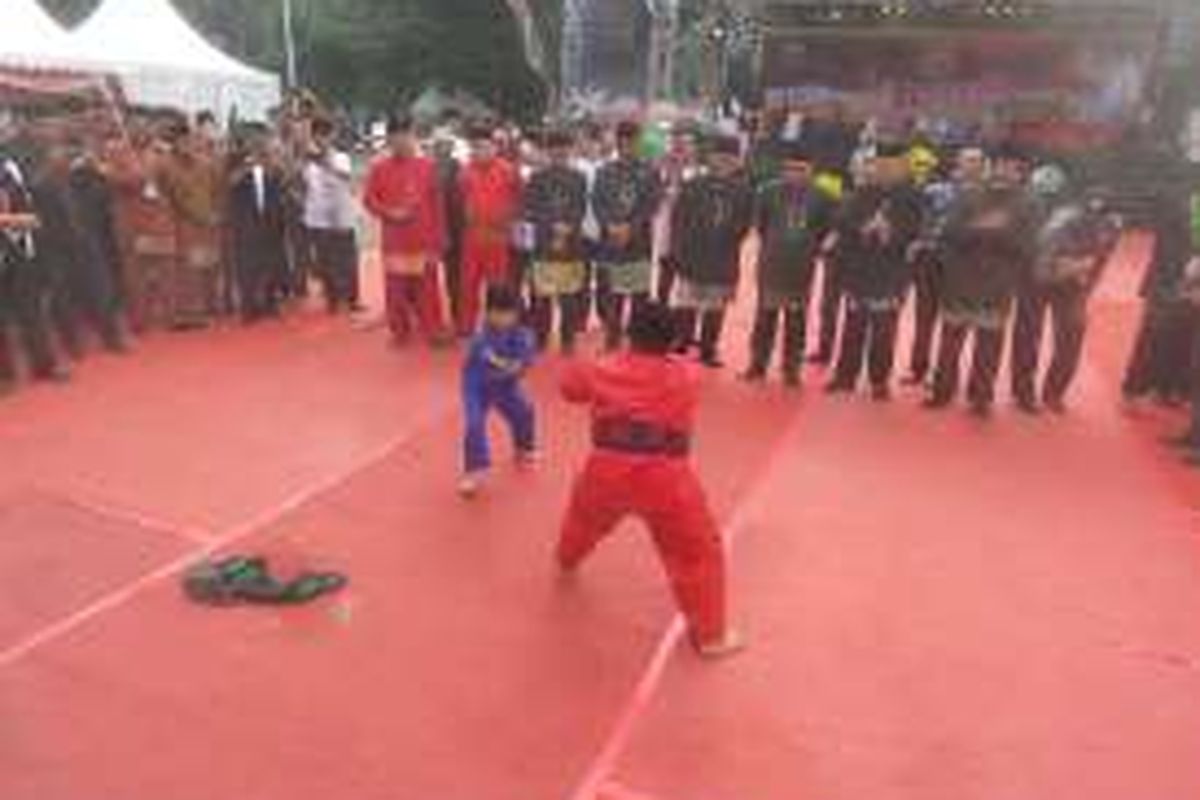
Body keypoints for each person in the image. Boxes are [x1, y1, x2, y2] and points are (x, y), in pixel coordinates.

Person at [556, 302, 743, 660]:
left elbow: (568, 388)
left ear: (629, 334)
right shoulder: (687, 374)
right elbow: (691, 368)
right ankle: (711, 637)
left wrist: (586, 356)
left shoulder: (602, 368)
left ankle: (567, 558)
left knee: (583, 517)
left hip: (607, 469)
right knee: (698, 552)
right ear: (670, 340)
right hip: (666, 478)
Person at [926, 144, 1040, 417]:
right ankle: (942, 391)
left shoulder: (1027, 203)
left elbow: (1029, 248)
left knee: (989, 346)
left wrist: (1000, 233)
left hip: (998, 284)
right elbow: (949, 235)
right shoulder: (968, 195)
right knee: (950, 342)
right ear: (992, 167)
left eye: (1011, 167)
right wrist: (980, 228)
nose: (1004, 172)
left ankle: (981, 397)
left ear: (1020, 172)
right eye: (1000, 165)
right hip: (961, 280)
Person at [1010, 177, 1121, 414]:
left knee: (1072, 334)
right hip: (1038, 279)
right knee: (1028, 334)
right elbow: (1045, 252)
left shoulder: (1112, 226)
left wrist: (1085, 286)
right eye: (1092, 206)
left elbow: (1101, 262)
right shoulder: (1064, 219)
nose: (1097, 213)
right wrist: (1062, 268)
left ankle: (1054, 393)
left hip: (1073, 285)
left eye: (1103, 209)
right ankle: (1023, 391)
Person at [825, 142, 925, 400]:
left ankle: (879, 381)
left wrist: (889, 233)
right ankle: (845, 376)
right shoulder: (862, 192)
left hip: (891, 272)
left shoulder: (911, 196)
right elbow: (840, 221)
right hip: (860, 269)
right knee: (853, 327)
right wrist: (863, 227)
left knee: (884, 332)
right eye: (880, 165)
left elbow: (917, 232)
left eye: (890, 166)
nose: (884, 170)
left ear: (901, 167)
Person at [743, 141, 836, 387]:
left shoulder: (823, 197)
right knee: (764, 318)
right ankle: (757, 363)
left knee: (796, 321)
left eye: (801, 169)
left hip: (801, 268)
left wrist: (809, 248)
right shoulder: (768, 192)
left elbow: (825, 230)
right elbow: (761, 227)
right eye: (791, 168)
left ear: (811, 170)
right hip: (771, 264)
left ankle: (791, 368)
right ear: (784, 168)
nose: (795, 174)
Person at [362, 114, 448, 346]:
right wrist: (389, 212)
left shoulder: (427, 166)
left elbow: (437, 205)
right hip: (395, 241)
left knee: (428, 289)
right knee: (396, 290)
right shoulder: (379, 168)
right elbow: (368, 200)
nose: (400, 141)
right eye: (395, 136)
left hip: (424, 239)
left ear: (413, 136)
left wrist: (440, 239)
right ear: (389, 139)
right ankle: (399, 331)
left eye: (405, 135)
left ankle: (433, 330)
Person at [669, 134, 754, 368]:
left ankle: (708, 349)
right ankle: (682, 340)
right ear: (710, 158)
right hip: (692, 252)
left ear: (737, 162)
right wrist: (678, 249)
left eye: (729, 159)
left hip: (723, 255)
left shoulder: (744, 191)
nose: (724, 162)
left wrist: (727, 235)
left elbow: (745, 225)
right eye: (719, 157)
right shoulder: (693, 185)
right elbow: (679, 220)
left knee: (715, 306)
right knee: (687, 301)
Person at [904, 145, 987, 386]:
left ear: (983, 166)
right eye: (967, 160)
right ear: (957, 162)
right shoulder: (935, 190)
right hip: (929, 261)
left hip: (961, 267)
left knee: (952, 323)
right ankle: (918, 369)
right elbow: (920, 219)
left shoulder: (986, 195)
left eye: (976, 161)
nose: (971, 165)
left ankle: (944, 373)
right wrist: (918, 242)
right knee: (924, 319)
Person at [34, 143, 126, 358]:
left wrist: (95, 166)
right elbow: (39, 220)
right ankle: (73, 345)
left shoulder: (78, 180)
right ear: (47, 160)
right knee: (63, 298)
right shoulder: (39, 185)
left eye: (66, 157)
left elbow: (102, 191)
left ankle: (112, 338)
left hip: (86, 242)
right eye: (58, 156)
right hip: (57, 248)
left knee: (100, 291)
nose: (64, 160)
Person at [458, 285, 537, 497]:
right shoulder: (481, 333)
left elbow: (526, 359)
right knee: (474, 424)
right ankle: (473, 472)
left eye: (508, 314)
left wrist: (519, 366)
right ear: (488, 312)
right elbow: (484, 352)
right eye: (497, 314)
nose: (503, 319)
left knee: (525, 411)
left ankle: (523, 446)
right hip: (477, 386)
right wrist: (505, 364)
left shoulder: (522, 333)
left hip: (504, 384)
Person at [1, 145, 68, 389]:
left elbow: (32, 217)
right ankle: (5, 375)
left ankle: (45, 364)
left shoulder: (10, 176)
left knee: (32, 310)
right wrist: (12, 219)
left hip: (16, 250)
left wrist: (12, 219)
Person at [1122, 181, 1195, 407]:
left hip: (1191, 286)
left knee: (1186, 339)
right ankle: (1135, 390)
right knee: (1153, 338)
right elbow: (1169, 249)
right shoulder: (1179, 204)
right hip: (1167, 283)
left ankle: (1172, 390)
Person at [593, 120, 663, 351]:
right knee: (613, 297)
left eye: (632, 140)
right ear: (617, 141)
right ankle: (611, 342)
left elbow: (652, 204)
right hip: (612, 243)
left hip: (638, 243)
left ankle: (638, 344)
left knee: (638, 297)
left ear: (639, 142)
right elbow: (597, 202)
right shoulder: (605, 171)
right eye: (622, 140)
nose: (627, 145)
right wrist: (610, 226)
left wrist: (630, 228)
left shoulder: (650, 171)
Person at [525, 129, 589, 353]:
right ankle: (540, 337)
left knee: (569, 296)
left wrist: (567, 229)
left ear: (570, 151)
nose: (560, 152)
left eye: (564, 148)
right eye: (555, 148)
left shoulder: (579, 178)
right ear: (548, 151)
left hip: (571, 243)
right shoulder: (536, 177)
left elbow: (580, 208)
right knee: (541, 296)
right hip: (544, 243)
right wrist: (553, 227)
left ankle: (567, 338)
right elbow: (531, 210)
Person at [107, 134, 178, 333]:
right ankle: (139, 321)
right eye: (116, 152)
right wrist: (147, 166)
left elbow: (172, 181)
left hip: (159, 225)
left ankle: (172, 316)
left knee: (167, 272)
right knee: (135, 278)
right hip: (133, 229)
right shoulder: (113, 166)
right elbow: (130, 181)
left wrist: (164, 158)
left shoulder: (155, 157)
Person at [458, 123, 522, 336]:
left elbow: (520, 200)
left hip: (498, 239)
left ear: (495, 147)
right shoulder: (465, 172)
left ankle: (498, 326)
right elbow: (459, 201)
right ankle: (467, 326)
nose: (481, 151)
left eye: (486, 147)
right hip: (472, 239)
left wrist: (508, 218)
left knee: (498, 287)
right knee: (468, 286)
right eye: (476, 147)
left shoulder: (509, 171)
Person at [161, 125, 224, 330]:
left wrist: (215, 213)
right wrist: (202, 217)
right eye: (182, 142)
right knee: (189, 272)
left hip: (208, 223)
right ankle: (188, 314)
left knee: (210, 266)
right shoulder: (167, 166)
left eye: (190, 141)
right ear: (175, 144)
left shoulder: (206, 164)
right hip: (185, 225)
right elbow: (174, 199)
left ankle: (211, 307)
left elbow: (218, 189)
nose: (187, 145)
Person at [302, 116, 361, 314]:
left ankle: (352, 298)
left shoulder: (341, 157)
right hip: (319, 218)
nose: (321, 140)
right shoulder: (307, 163)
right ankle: (333, 298)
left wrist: (326, 162)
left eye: (325, 136)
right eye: (317, 136)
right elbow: (303, 186)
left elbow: (347, 177)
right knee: (325, 259)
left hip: (343, 215)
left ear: (331, 136)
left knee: (347, 258)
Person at [228, 134, 289, 322]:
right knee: (248, 268)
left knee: (271, 265)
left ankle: (270, 304)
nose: (259, 148)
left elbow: (283, 184)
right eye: (255, 145)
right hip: (247, 225)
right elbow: (231, 183)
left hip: (270, 224)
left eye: (262, 145)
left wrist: (272, 163)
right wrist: (246, 166)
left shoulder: (272, 168)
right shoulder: (237, 164)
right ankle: (249, 308)